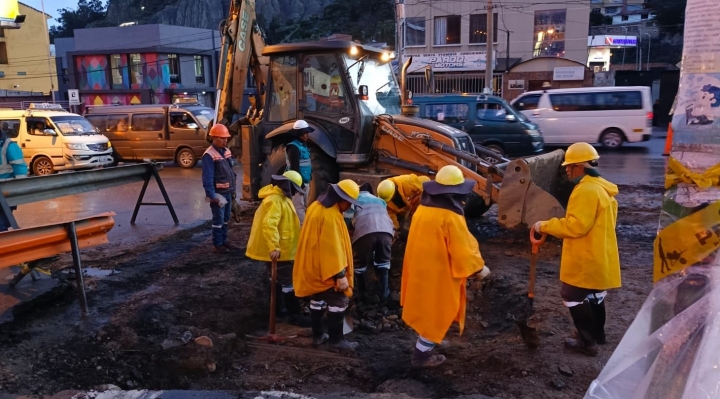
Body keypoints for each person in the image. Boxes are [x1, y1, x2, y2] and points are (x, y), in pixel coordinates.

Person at [532, 142, 621, 357]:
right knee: (595, 294)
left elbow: (576, 226)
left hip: (585, 256)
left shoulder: (585, 191)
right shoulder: (602, 188)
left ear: (580, 166)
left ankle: (587, 343)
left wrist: (543, 225)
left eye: (569, 167)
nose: (567, 170)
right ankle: (597, 335)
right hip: (600, 253)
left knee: (571, 294)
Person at [401, 165, 489, 368]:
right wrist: (478, 268)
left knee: (427, 310)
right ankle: (421, 356)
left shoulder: (423, 209)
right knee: (437, 313)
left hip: (420, 270)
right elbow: (463, 249)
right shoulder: (450, 217)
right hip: (439, 273)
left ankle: (429, 341)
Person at [293, 179, 361, 350]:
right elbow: (331, 249)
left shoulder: (316, 206)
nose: (349, 207)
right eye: (349, 203)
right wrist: (339, 275)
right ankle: (336, 341)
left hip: (313, 267)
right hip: (326, 270)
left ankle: (318, 336)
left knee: (317, 299)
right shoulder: (330, 216)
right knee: (339, 301)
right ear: (341, 199)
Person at [246, 170, 310, 327]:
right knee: (288, 282)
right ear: (286, 186)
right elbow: (270, 224)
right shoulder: (275, 200)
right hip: (280, 250)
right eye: (294, 189)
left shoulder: (281, 198)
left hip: (282, 248)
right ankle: (294, 315)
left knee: (276, 279)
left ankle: (278, 310)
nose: (295, 193)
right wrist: (274, 246)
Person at [346, 183, 394, 302]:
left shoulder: (353, 199)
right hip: (386, 232)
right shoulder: (380, 201)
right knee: (383, 263)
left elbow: (347, 220)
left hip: (364, 233)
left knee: (360, 265)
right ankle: (384, 293)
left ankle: (362, 294)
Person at [201, 124, 237, 254]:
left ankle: (223, 240)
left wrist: (233, 190)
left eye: (226, 138)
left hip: (227, 192)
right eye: (222, 138)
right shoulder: (209, 155)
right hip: (218, 194)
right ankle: (217, 244)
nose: (225, 140)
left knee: (226, 219)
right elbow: (207, 178)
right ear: (214, 138)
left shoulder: (226, 151)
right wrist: (212, 195)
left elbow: (230, 171)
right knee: (218, 220)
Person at [285, 120, 313, 225]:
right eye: (304, 133)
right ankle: (302, 231)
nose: (306, 135)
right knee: (299, 208)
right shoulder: (293, 147)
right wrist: (299, 185)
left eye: (307, 133)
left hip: (305, 182)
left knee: (304, 206)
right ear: (298, 134)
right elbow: (294, 167)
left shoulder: (302, 145)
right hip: (298, 184)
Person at [0, 128, 28, 231]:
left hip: (5, 195)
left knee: (1, 225)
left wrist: (17, 194)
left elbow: (20, 172)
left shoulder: (9, 146)